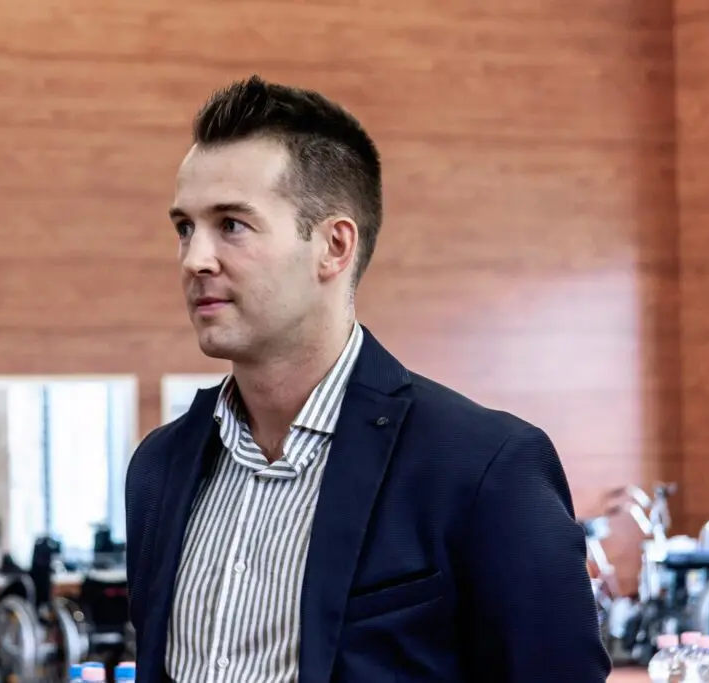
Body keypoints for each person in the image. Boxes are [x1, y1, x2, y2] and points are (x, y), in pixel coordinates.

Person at [124, 75, 611, 683]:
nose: (195, 258)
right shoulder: (159, 468)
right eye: (184, 228)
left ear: (334, 246)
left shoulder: (483, 468)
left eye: (232, 225)